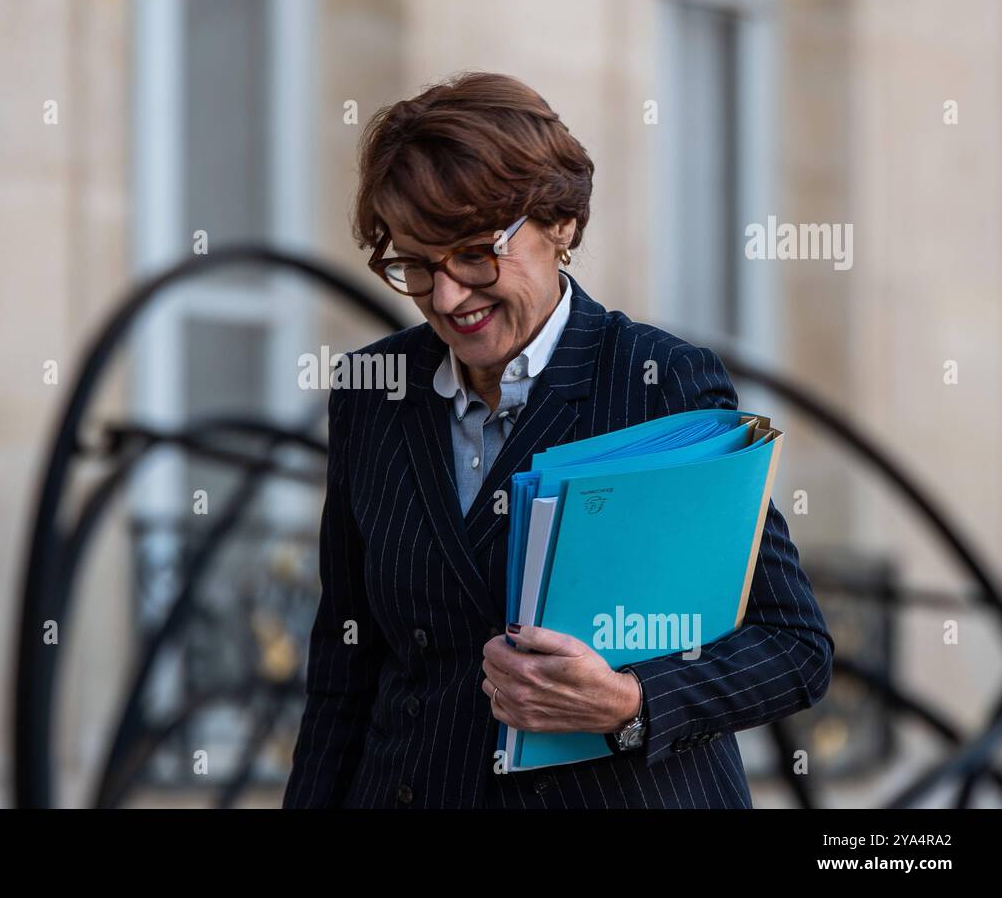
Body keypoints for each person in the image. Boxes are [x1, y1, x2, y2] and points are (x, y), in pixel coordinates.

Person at [283, 72, 832, 808]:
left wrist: (631, 702)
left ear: (562, 223)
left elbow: (794, 647)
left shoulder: (659, 382)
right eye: (414, 264)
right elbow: (343, 665)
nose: (446, 297)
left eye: (476, 253)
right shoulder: (371, 391)